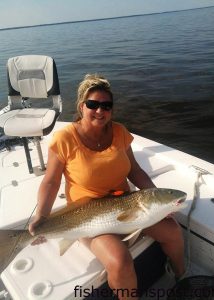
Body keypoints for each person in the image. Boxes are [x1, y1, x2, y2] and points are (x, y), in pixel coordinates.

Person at [29, 74, 185, 300]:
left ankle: (180, 278)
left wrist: (159, 199)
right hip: (85, 217)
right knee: (120, 260)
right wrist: (41, 215)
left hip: (127, 205)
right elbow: (51, 182)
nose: (100, 111)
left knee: (172, 231)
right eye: (93, 105)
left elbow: (136, 171)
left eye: (106, 106)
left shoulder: (120, 132)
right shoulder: (64, 139)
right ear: (82, 106)